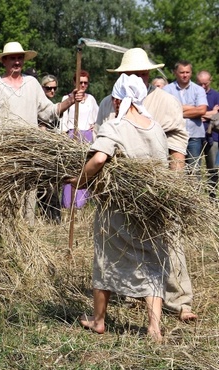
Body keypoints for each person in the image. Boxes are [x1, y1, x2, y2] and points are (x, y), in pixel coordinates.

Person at [97, 48, 196, 322]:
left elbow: (177, 143)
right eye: (133, 74)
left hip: (157, 186)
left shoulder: (164, 101)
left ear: (150, 75)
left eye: (143, 73)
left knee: (168, 240)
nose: (139, 78)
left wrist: (173, 183)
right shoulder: (109, 103)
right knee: (124, 241)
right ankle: (134, 293)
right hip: (119, 189)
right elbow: (99, 143)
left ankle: (179, 301)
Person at [70, 74, 169, 342]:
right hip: (153, 208)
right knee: (152, 262)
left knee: (106, 260)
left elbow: (100, 157)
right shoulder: (156, 127)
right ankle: (154, 328)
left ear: (117, 100)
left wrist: (80, 180)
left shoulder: (115, 125)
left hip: (118, 209)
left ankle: (99, 321)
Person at [0, 41, 83, 225]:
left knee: (29, 198)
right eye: (12, 58)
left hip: (29, 152)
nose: (17, 62)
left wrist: (70, 101)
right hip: (3, 153)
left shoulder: (32, 84)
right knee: (6, 200)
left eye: (20, 58)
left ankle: (27, 234)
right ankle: (6, 236)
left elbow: (48, 111)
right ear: (4, 61)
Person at [60, 70, 99, 210]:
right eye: (80, 82)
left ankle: (81, 203)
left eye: (85, 83)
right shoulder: (67, 98)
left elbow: (96, 117)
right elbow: (63, 120)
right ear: (74, 82)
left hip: (86, 137)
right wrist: (64, 137)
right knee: (71, 170)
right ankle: (67, 203)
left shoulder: (91, 100)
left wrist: (94, 127)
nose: (83, 85)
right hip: (72, 136)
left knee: (84, 169)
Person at [162, 60, 208, 177]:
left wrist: (177, 109)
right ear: (175, 73)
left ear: (191, 73)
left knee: (194, 170)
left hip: (194, 136)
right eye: (182, 72)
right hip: (173, 135)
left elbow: (202, 110)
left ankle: (196, 195)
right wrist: (192, 108)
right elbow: (166, 111)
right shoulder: (167, 90)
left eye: (187, 72)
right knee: (175, 171)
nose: (185, 75)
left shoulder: (199, 90)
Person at [37, 74, 62, 223]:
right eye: (48, 88)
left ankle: (55, 216)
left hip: (54, 149)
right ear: (42, 88)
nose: (52, 91)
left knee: (54, 185)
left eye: (54, 88)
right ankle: (47, 215)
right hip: (42, 150)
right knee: (43, 185)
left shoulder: (54, 106)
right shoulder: (40, 106)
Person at [196, 70, 219, 198]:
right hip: (195, 136)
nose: (203, 87)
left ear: (210, 81)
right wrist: (211, 113)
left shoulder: (216, 95)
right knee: (195, 167)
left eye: (205, 84)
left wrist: (198, 113)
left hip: (213, 137)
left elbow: (218, 116)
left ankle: (212, 194)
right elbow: (185, 112)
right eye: (200, 84)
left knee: (213, 169)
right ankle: (197, 196)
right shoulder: (193, 94)